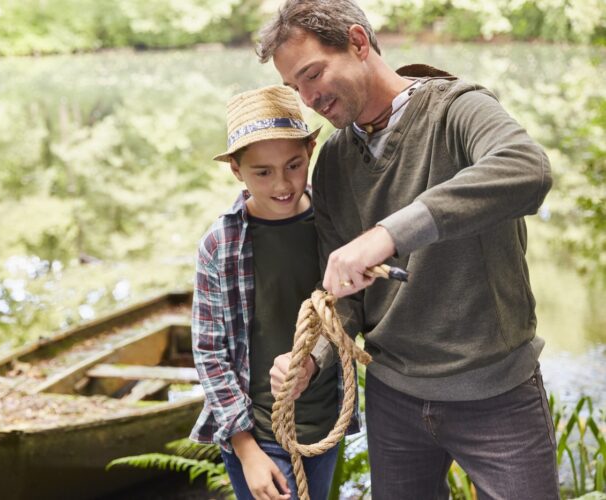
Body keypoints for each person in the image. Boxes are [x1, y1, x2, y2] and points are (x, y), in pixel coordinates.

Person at [257, 1, 560, 499]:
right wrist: (310, 357)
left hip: (496, 393)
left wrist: (389, 234)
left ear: (358, 43)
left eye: (312, 74)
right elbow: (343, 296)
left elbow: (528, 169)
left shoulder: (457, 109)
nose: (308, 98)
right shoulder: (332, 160)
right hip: (394, 396)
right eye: (295, 87)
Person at [190, 84, 359, 500]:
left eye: (294, 165)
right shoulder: (221, 244)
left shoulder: (334, 226)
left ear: (310, 151)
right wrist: (246, 450)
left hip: (323, 422)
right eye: (262, 172)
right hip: (258, 430)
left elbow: (350, 312)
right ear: (236, 169)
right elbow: (210, 353)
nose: (282, 183)